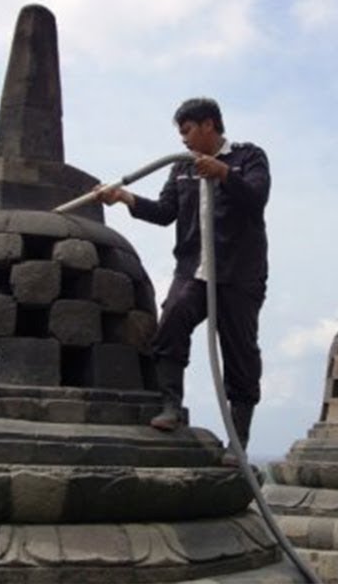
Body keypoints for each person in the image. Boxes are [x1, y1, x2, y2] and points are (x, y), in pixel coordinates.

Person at [97, 97, 270, 465]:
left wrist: (223, 173)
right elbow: (164, 213)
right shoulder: (181, 168)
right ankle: (170, 406)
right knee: (172, 320)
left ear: (208, 125)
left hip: (239, 274)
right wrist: (125, 197)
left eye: (187, 130)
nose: (183, 140)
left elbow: (256, 198)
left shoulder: (249, 157)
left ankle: (238, 440)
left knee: (240, 352)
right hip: (194, 270)